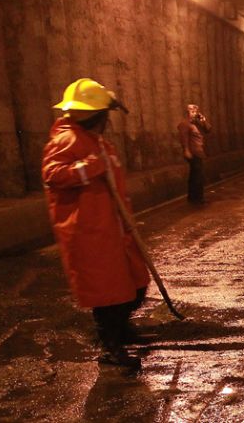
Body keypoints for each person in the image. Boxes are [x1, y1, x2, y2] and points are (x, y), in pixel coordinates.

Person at [42, 78, 150, 368]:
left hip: (113, 228)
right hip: (90, 233)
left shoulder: (95, 141)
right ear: (96, 116)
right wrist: (90, 166)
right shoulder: (67, 140)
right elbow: (52, 174)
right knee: (109, 295)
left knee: (136, 283)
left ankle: (122, 330)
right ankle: (111, 347)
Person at [177, 104, 212, 204]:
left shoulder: (197, 123)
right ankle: (198, 198)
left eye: (196, 111)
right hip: (193, 152)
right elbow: (184, 138)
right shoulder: (184, 124)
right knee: (198, 176)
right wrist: (186, 150)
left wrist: (203, 120)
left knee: (195, 175)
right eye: (192, 111)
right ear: (187, 112)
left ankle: (193, 197)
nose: (194, 112)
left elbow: (208, 129)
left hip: (199, 152)